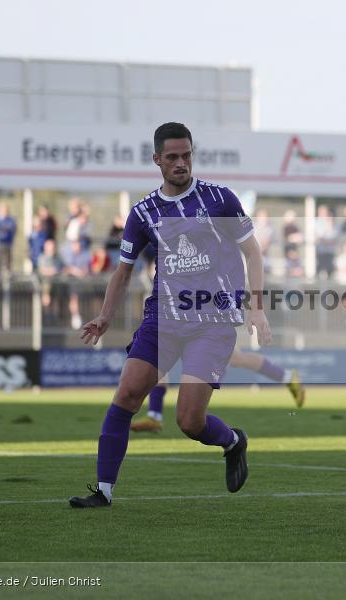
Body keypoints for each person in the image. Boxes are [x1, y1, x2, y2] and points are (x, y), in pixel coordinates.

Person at [69, 122, 271, 508]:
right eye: (173, 157)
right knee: (127, 393)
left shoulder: (220, 200)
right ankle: (104, 491)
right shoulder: (143, 212)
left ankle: (232, 441)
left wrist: (257, 307)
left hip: (212, 323)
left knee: (189, 422)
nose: (181, 163)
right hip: (162, 320)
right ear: (157, 160)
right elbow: (123, 270)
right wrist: (105, 317)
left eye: (187, 155)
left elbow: (253, 253)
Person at [131, 351, 306, 432]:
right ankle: (154, 416)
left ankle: (288, 377)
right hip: (180, 311)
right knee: (159, 356)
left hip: (211, 312)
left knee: (236, 358)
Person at [0, 202, 17, 275]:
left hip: (9, 243)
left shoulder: (11, 219)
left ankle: (8, 278)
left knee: (8, 262)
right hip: (1, 243)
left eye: (6, 210)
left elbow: (14, 228)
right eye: (3, 210)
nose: (5, 211)